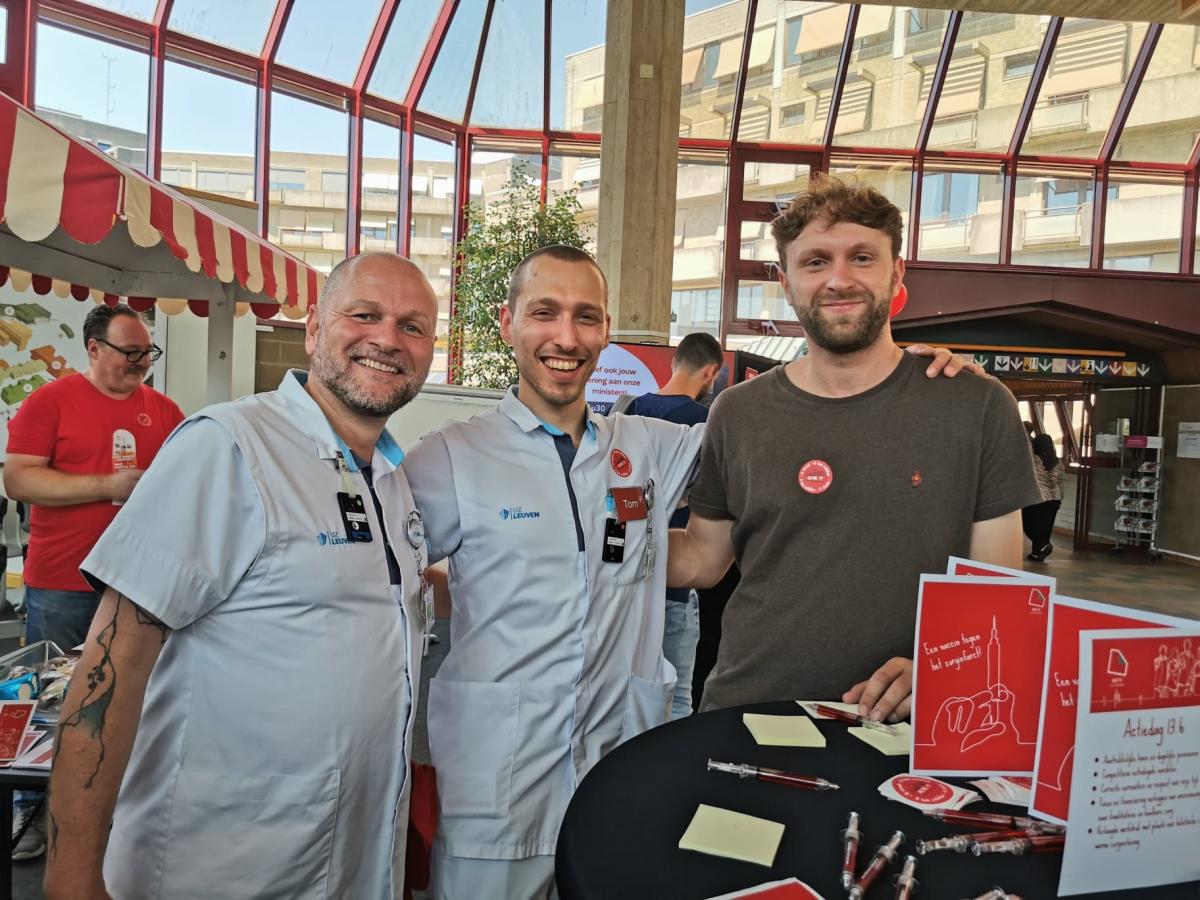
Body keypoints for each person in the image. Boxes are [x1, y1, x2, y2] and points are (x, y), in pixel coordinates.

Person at [43, 253, 438, 900]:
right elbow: (112, 666)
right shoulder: (229, 446)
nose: (388, 338)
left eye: (413, 326)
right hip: (220, 868)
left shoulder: (391, 479)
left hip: (351, 865)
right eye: (364, 315)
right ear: (313, 330)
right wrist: (71, 882)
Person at [668, 175, 1041, 723]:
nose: (839, 279)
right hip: (752, 709)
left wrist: (947, 669)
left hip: (911, 720)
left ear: (897, 272)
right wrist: (585, 534)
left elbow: (997, 589)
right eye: (815, 262)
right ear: (786, 280)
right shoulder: (738, 411)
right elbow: (703, 557)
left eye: (862, 258)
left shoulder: (975, 405)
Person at [3, 304, 183, 861]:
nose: (141, 364)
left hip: (140, 582)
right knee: (53, 703)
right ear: (95, 349)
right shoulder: (50, 402)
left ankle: (119, 816)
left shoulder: (165, 409)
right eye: (129, 353)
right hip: (62, 579)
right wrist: (108, 484)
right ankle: (33, 815)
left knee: (137, 700)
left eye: (147, 353)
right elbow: (18, 479)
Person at [624, 332, 725, 719]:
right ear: (711, 371)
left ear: (673, 363)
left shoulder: (627, 412)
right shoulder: (710, 423)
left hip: (626, 582)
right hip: (678, 584)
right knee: (680, 696)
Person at [1023, 433, 1064, 561]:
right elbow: (1058, 481)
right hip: (1054, 499)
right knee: (1045, 528)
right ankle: (1037, 553)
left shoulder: (1033, 460)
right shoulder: (1058, 462)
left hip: (1036, 497)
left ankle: (1043, 546)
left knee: (1029, 525)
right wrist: (1059, 498)